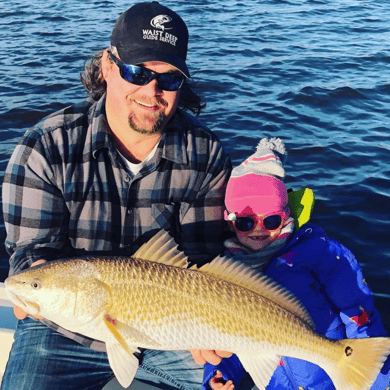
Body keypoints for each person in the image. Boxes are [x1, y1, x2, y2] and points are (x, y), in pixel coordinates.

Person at [1, 2, 232, 389]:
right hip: (64, 332)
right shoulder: (46, 146)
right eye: (136, 72)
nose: (151, 91)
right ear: (107, 66)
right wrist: (36, 284)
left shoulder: (206, 155)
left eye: (169, 79)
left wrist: (210, 336)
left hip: (173, 329)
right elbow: (32, 251)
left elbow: (203, 260)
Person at [203, 139, 390, 390]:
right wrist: (221, 371)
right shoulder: (226, 271)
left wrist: (376, 381)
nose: (259, 230)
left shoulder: (322, 253)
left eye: (270, 220)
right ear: (229, 221)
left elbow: (359, 316)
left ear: (286, 215)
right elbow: (233, 334)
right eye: (246, 222)